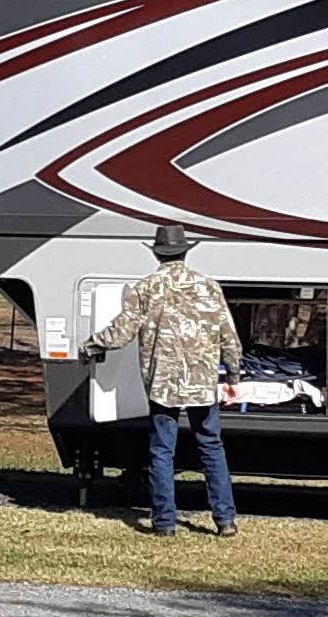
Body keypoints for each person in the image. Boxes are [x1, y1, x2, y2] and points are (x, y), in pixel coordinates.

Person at [81, 223, 240, 537]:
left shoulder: (146, 288)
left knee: (162, 451)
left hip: (162, 383)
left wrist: (91, 346)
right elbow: (228, 335)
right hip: (201, 382)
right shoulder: (208, 286)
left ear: (157, 253)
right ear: (185, 251)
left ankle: (165, 523)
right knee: (211, 446)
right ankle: (225, 520)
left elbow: (121, 332)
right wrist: (233, 373)